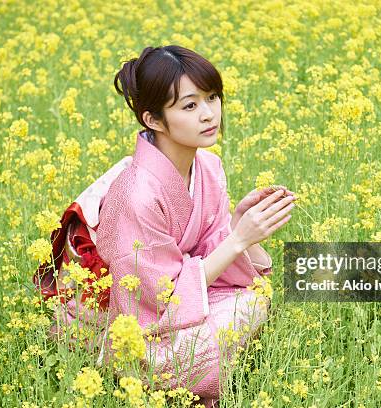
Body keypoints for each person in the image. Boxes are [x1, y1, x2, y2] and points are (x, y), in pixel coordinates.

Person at [96, 45, 296, 407]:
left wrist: (237, 227)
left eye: (212, 98)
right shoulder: (136, 195)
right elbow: (152, 302)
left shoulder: (207, 167)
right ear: (153, 120)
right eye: (190, 106)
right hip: (141, 336)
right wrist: (237, 241)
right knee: (223, 340)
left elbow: (208, 257)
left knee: (254, 300)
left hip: (182, 316)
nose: (209, 114)